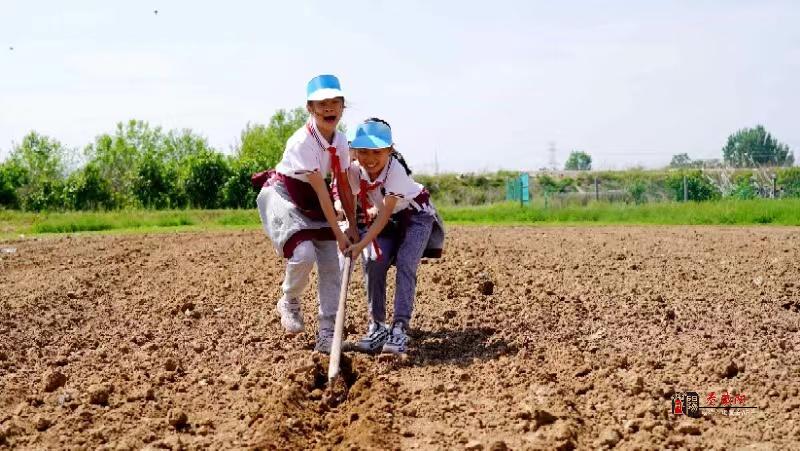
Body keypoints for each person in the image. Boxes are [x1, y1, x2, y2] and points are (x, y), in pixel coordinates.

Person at [255, 74, 358, 353]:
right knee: (303, 254)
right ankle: (289, 301)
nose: (328, 108)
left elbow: (344, 185)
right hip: (286, 196)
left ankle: (327, 336)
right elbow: (323, 191)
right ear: (310, 108)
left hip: (313, 200)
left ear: (342, 106)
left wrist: (353, 227)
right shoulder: (303, 142)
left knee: (332, 266)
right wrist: (339, 234)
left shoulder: (342, 142)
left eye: (334, 102)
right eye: (321, 103)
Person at [344, 118, 445, 354]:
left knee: (406, 263)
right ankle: (377, 325)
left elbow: (386, 212)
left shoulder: (395, 171)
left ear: (390, 150)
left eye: (377, 151)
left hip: (416, 217)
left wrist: (361, 244)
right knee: (373, 261)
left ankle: (399, 327)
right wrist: (351, 229)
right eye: (363, 152)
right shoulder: (354, 171)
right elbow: (353, 200)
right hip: (387, 217)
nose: (370, 158)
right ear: (354, 151)